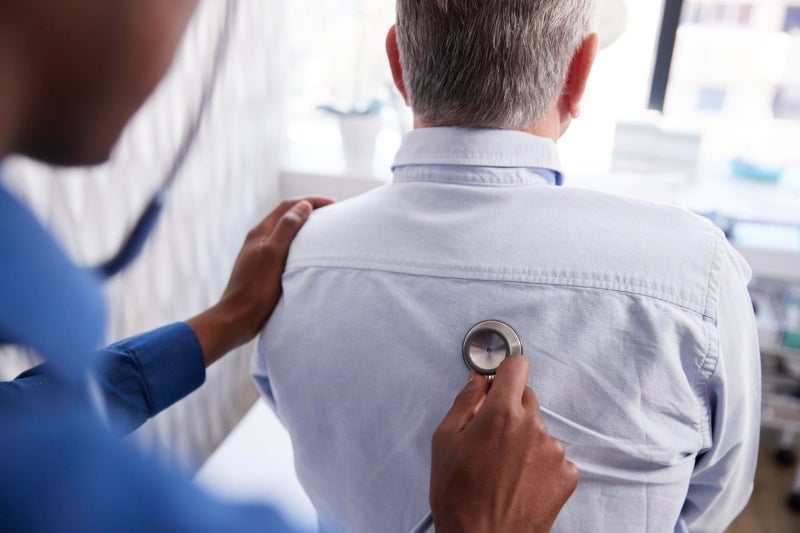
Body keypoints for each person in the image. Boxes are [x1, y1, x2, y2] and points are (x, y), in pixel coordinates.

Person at [0, 0, 578, 531]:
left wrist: (224, 321)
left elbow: (17, 415)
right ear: (577, 76)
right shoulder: (67, 493)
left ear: (398, 66)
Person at [253, 0, 762, 531]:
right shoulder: (693, 271)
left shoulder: (290, 261)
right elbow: (717, 497)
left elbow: (300, 426)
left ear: (398, 64)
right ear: (579, 70)